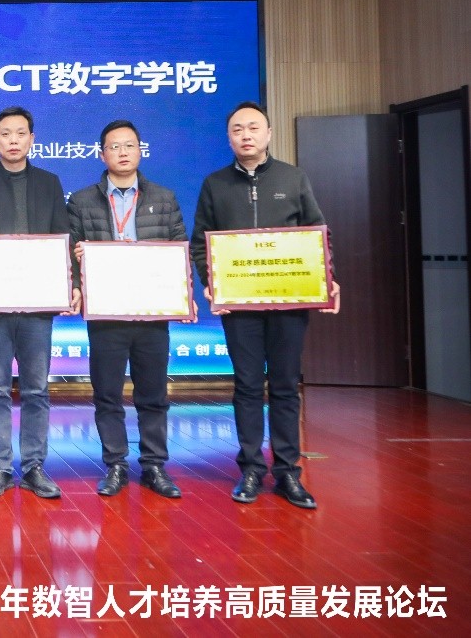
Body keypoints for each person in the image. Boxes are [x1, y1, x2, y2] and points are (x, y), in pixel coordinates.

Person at [190, 101, 341, 509]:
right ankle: (252, 469)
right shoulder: (215, 184)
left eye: (254, 128)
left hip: (289, 302)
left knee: (287, 384)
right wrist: (211, 282)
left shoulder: (293, 178)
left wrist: (327, 277)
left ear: (268, 133)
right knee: (247, 385)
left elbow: (317, 234)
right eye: (237, 129)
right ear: (229, 138)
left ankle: (288, 472)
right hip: (240, 305)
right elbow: (201, 243)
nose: (246, 135)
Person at [0, 106, 71, 500]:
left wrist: (67, 284)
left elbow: (62, 238)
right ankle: (1, 468)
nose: (14, 140)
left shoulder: (50, 183)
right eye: (6, 133)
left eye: (21, 133)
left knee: (37, 388)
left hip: (38, 305)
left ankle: (34, 466)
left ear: (32, 139)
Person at [68, 119, 189, 499]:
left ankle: (154, 465)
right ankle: (116, 464)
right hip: (106, 314)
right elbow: (70, 251)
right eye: (114, 146)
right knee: (107, 393)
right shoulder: (82, 201)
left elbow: (179, 249)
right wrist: (78, 263)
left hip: (151, 312)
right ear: (102, 154)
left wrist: (181, 290)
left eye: (129, 145)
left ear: (140, 150)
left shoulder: (164, 198)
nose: (122, 152)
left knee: (153, 393)